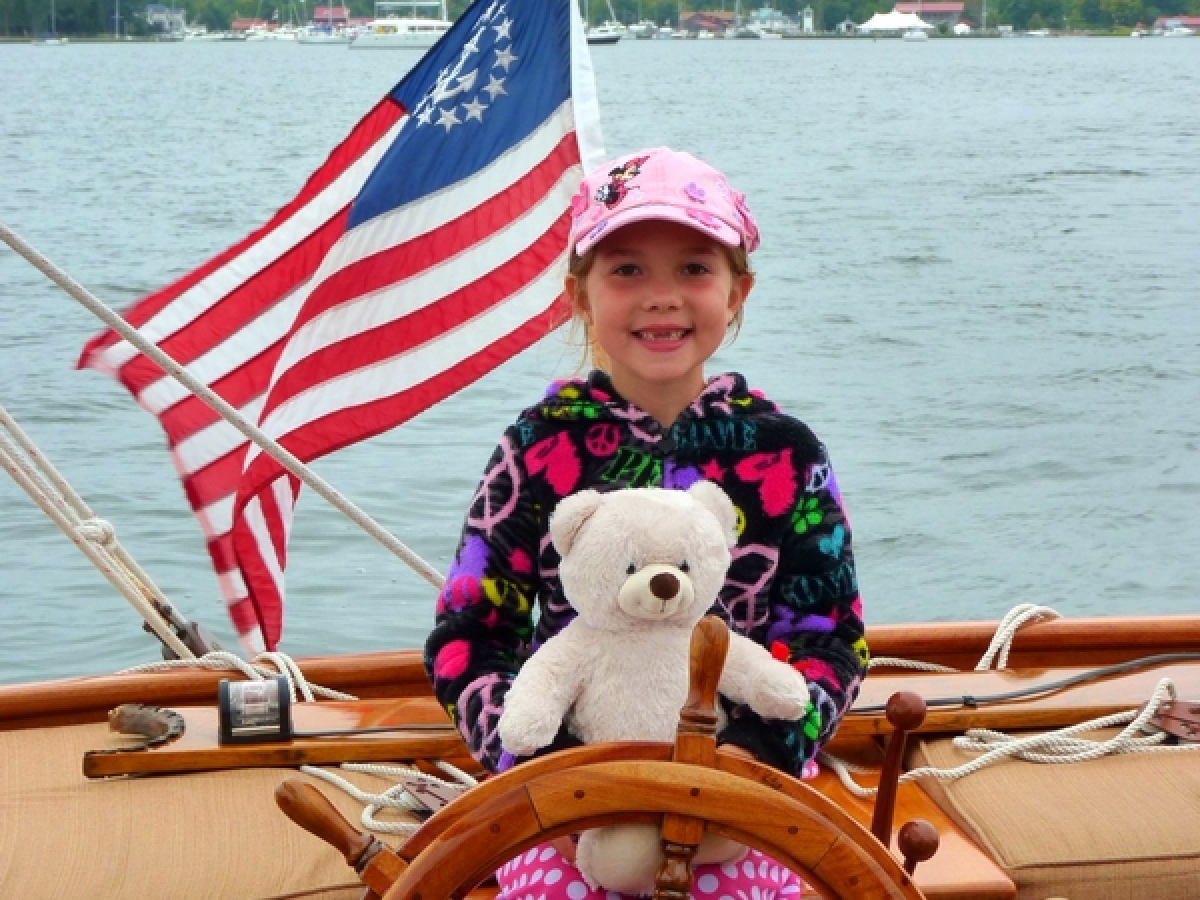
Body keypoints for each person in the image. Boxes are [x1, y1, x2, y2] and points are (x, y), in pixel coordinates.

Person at [424, 147, 868, 900]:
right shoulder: (534, 448)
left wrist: (753, 757)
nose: (662, 297)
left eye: (694, 269)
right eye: (627, 270)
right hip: (566, 804)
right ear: (580, 296)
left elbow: (831, 639)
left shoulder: (787, 453)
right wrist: (547, 772)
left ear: (737, 293)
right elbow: (468, 639)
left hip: (745, 799)